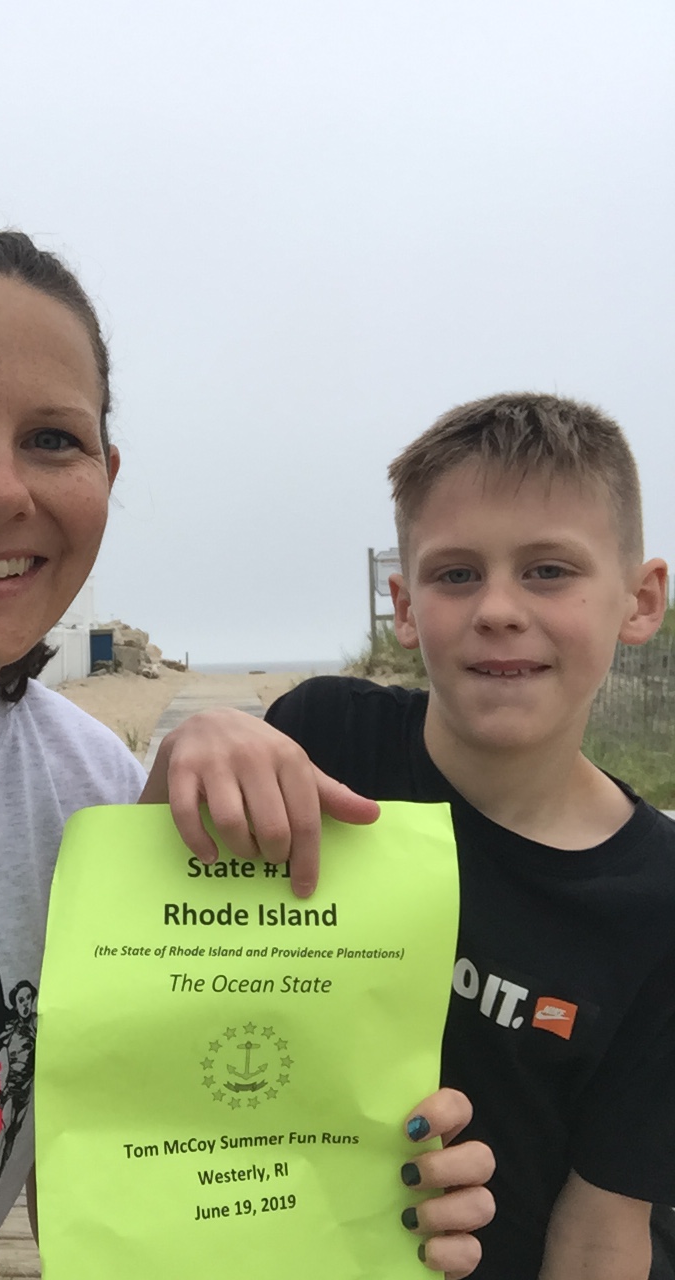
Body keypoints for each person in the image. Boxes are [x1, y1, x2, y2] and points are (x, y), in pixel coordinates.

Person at [0, 220, 492, 1280]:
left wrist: (357, 1191)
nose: (1, 490)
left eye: (52, 440)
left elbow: (123, 1170)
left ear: (106, 476)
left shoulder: (94, 797)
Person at [153, 392, 675, 1280]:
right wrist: (187, 753)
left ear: (640, 599)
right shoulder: (323, 744)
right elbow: (151, 958)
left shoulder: (657, 902)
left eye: (549, 570)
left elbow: (601, 1227)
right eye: (456, 574)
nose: (498, 608)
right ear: (404, 604)